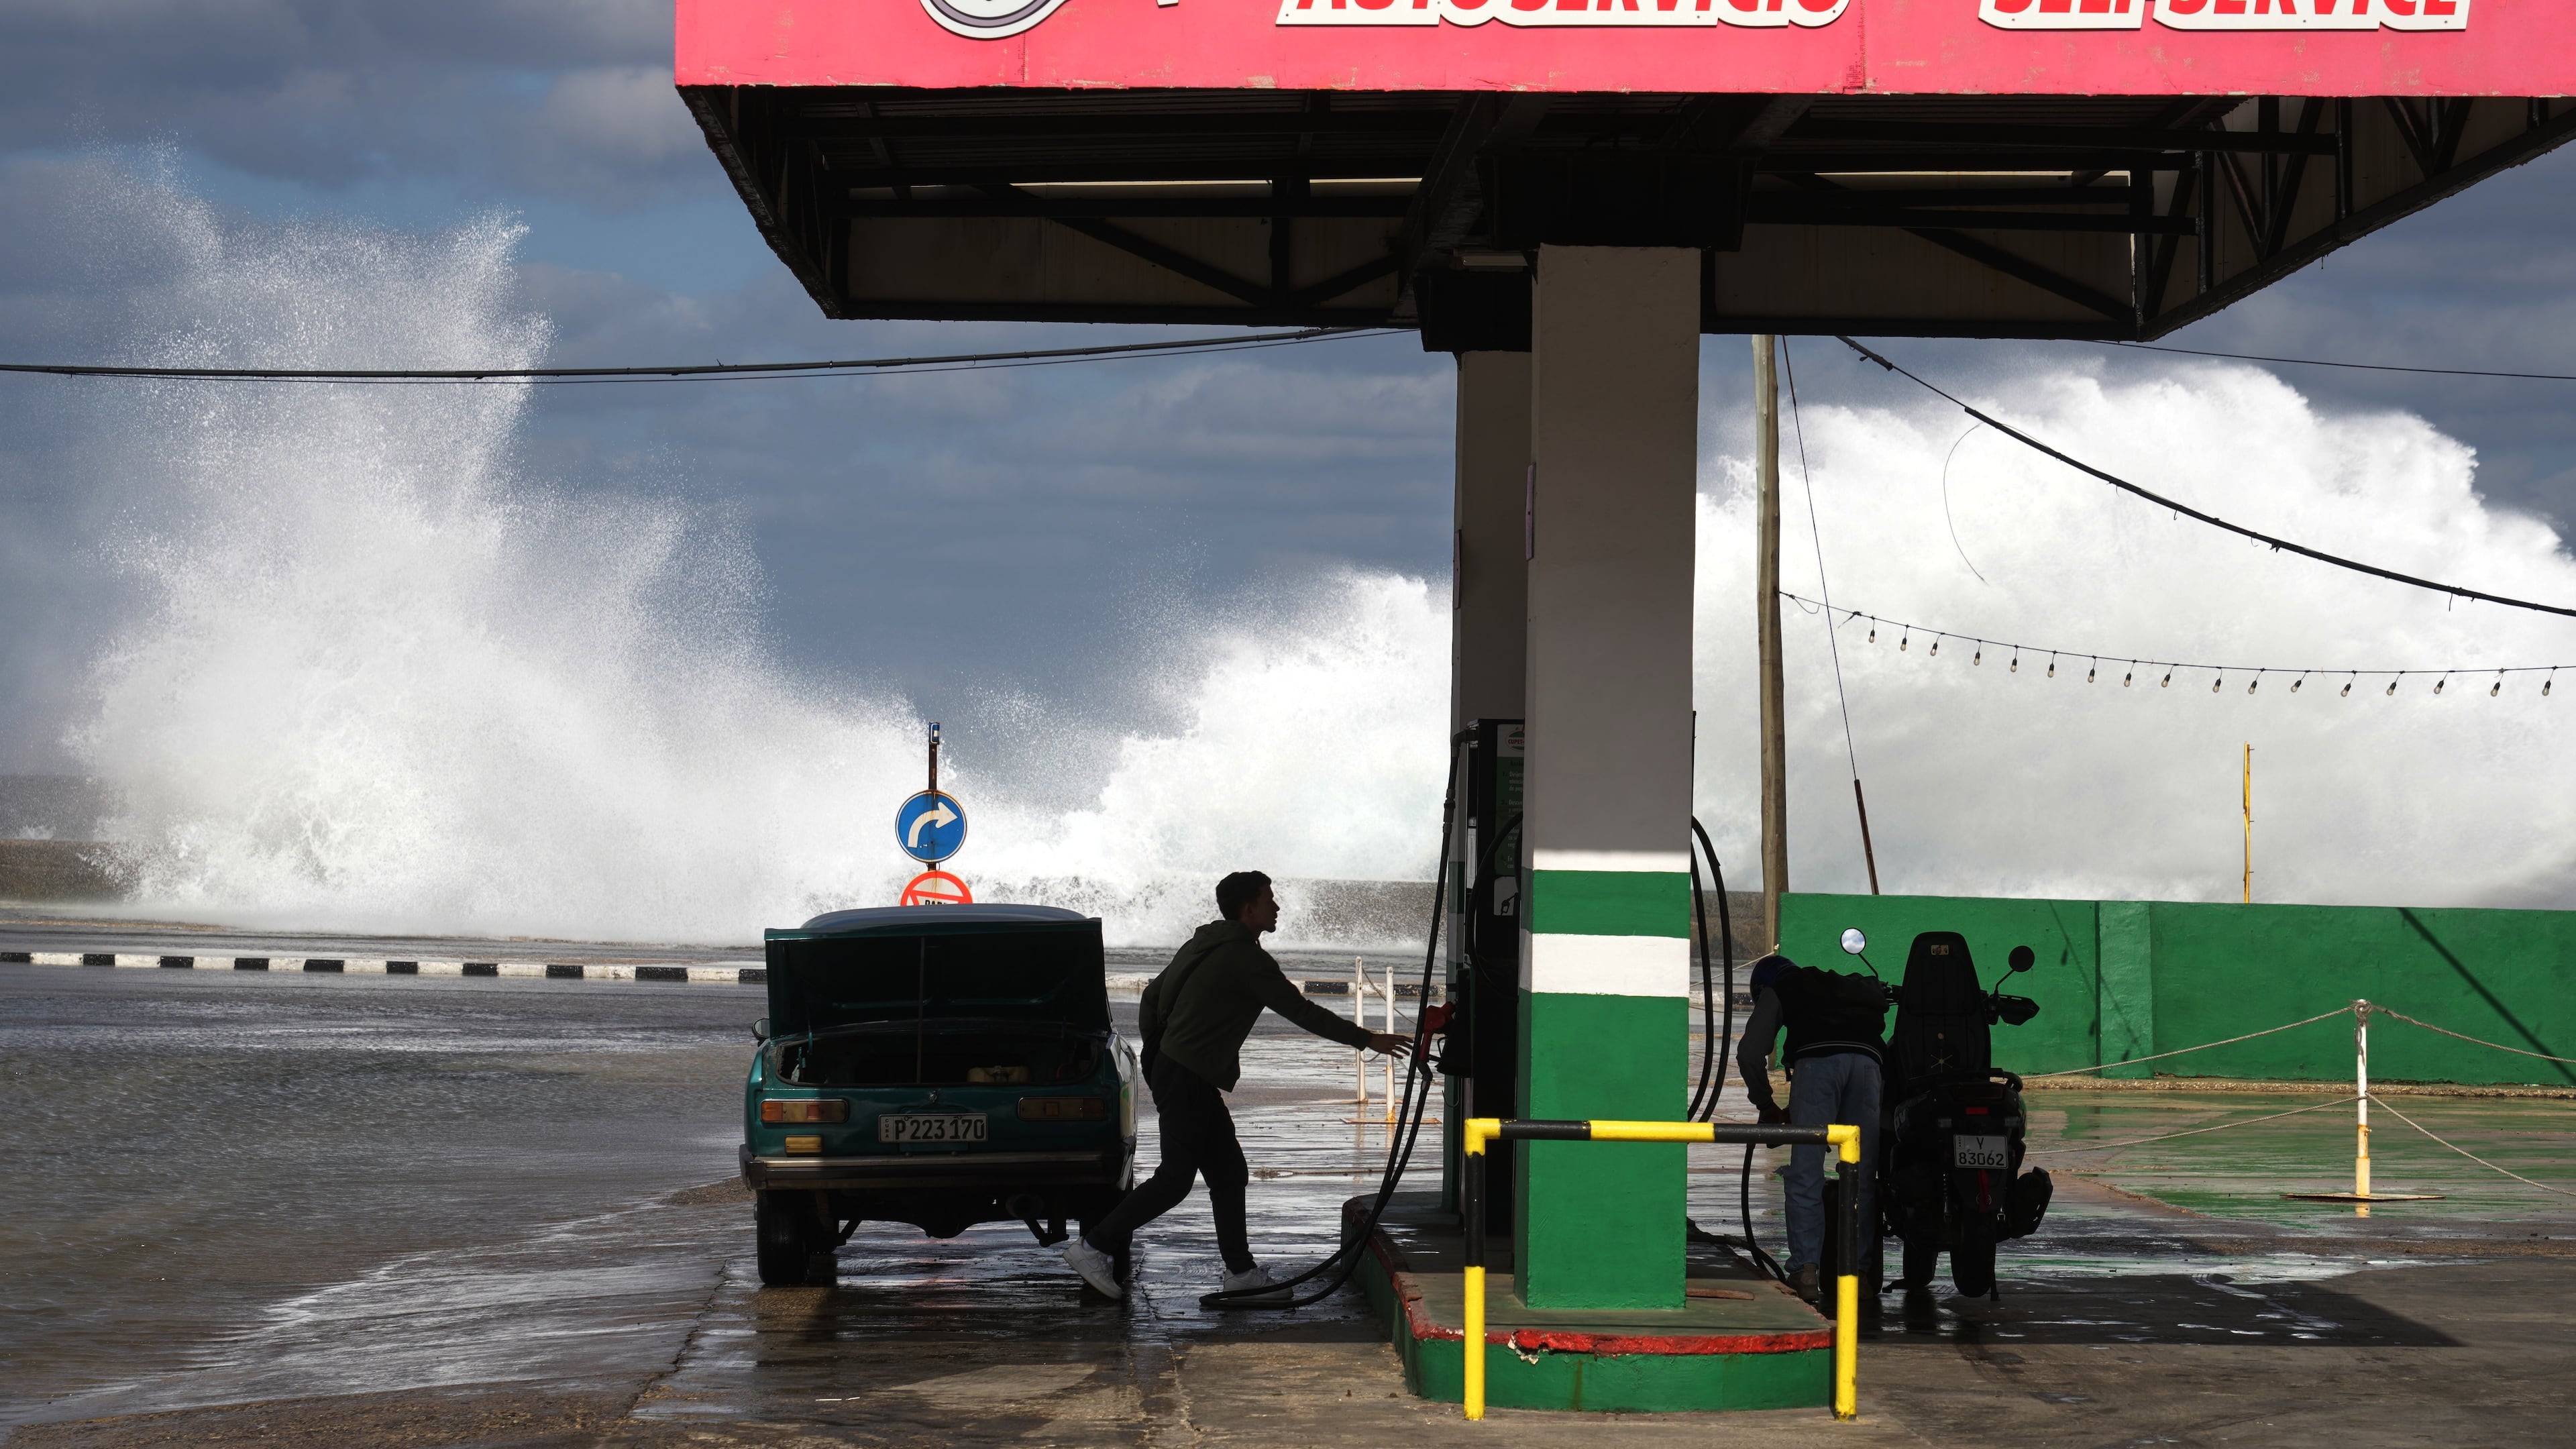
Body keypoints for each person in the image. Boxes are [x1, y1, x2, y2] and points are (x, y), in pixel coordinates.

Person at [1063, 870, 1411, 1302]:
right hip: (1187, 1075)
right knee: (1175, 1180)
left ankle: (1242, 1274)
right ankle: (1094, 1246)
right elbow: (1299, 1010)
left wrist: (1160, 1052)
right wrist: (1367, 1038)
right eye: (1270, 900)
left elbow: (1152, 996)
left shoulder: (1202, 944)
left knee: (1229, 1173)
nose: (1277, 906)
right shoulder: (1247, 958)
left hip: (1180, 1069)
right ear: (1249, 909)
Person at [1735, 951, 1887, 1303]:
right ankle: (1859, 1277)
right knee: (1861, 1176)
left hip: (1817, 1065)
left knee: (1805, 1171)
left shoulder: (1780, 987)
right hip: (1869, 1066)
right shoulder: (1838, 988)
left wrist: (1766, 1104)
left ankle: (1805, 1272)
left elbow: (1748, 1053)